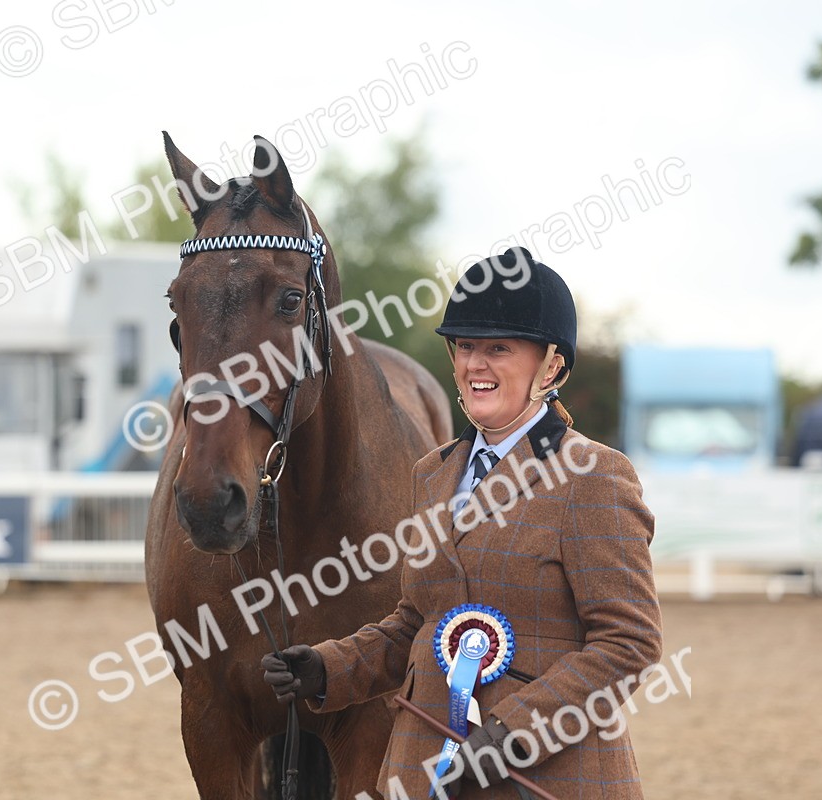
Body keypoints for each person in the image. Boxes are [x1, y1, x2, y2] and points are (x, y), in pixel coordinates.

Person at [261, 248, 662, 799]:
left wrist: (515, 731)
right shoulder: (433, 472)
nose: (476, 365)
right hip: (426, 768)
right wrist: (328, 667)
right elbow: (419, 623)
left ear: (551, 366)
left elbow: (629, 642)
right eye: (466, 347)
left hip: (542, 775)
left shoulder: (593, 476)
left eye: (499, 349)